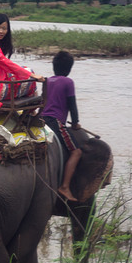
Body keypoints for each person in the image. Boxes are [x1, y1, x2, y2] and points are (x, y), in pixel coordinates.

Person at [42, 50, 83, 202]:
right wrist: (76, 122)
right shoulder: (68, 82)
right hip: (55, 122)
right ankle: (65, 186)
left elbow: (43, 102)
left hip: (41, 121)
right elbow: (72, 104)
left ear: (54, 66)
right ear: (69, 68)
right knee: (76, 152)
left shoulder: (47, 81)